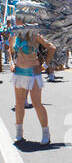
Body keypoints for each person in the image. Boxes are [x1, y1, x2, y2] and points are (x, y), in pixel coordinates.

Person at [9, 16, 56, 144]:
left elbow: (51, 48)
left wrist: (44, 66)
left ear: (24, 22)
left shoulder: (34, 35)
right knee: (19, 104)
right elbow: (10, 50)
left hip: (33, 74)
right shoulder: (15, 35)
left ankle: (46, 133)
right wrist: (12, 63)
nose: (15, 22)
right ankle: (19, 133)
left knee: (36, 103)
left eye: (17, 20)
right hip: (18, 73)